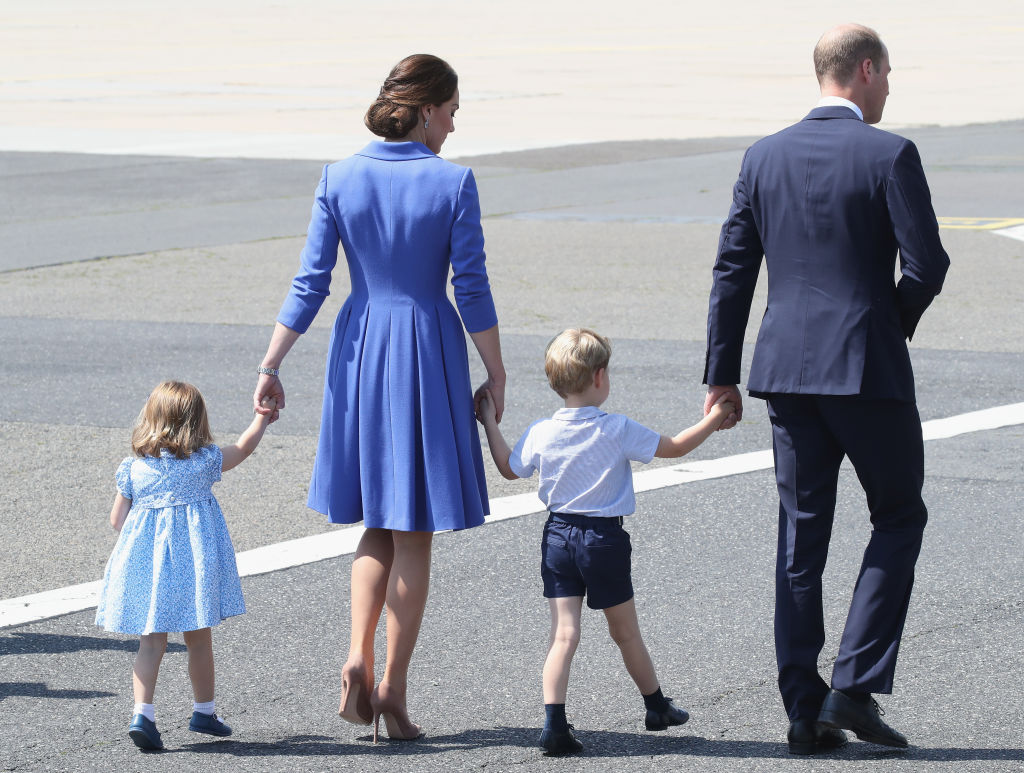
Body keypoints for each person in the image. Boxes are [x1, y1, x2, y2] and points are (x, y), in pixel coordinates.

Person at [704, 23, 950, 754]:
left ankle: (804, 710)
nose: (889, 88)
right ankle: (854, 681)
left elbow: (732, 271)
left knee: (799, 540)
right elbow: (928, 263)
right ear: (866, 70)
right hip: (867, 373)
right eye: (889, 74)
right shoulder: (889, 152)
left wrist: (721, 371)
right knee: (900, 514)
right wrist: (885, 328)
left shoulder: (763, 155)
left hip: (786, 374)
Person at [253, 54, 505, 742]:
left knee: (374, 519)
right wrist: (497, 370)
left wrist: (271, 361)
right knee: (413, 524)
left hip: (361, 346)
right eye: (451, 112)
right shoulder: (452, 182)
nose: (454, 126)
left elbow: (311, 282)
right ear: (426, 110)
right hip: (424, 345)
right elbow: (471, 287)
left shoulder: (338, 176)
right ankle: (392, 684)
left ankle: (357, 653)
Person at [476, 328, 734, 756]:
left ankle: (554, 724)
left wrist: (487, 419)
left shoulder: (542, 432)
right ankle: (655, 706)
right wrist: (714, 416)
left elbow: (508, 467)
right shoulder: (615, 428)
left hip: (557, 536)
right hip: (603, 539)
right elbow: (674, 447)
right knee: (625, 632)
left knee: (564, 634)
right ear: (599, 377)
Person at [96, 381, 276, 751]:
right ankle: (204, 712)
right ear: (196, 422)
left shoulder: (133, 469)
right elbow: (242, 448)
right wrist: (260, 419)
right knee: (198, 640)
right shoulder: (203, 463)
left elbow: (117, 521)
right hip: (193, 570)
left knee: (151, 642)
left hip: (151, 572)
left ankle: (142, 714)